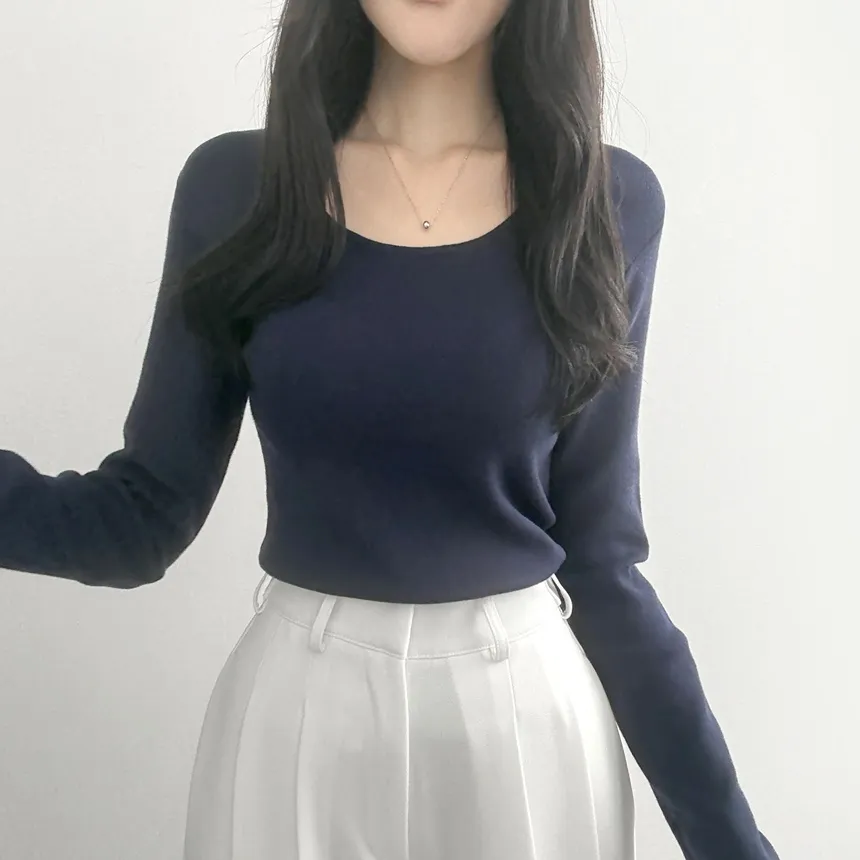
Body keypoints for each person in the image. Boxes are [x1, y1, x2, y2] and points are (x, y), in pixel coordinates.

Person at [0, 1, 782, 858]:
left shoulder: (607, 202)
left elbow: (600, 559)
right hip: (298, 722)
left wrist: (734, 844)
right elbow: (139, 518)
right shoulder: (238, 189)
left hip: (524, 727)